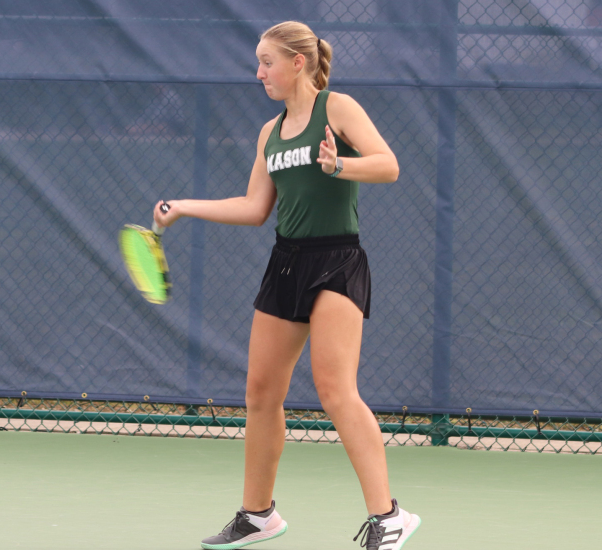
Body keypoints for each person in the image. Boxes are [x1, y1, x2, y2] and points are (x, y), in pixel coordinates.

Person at [152, 21, 421, 550]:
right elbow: (255, 208)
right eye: (258, 63)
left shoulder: (336, 108)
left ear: (298, 62)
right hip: (286, 261)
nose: (259, 73)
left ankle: (389, 516)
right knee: (260, 392)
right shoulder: (268, 133)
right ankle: (258, 516)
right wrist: (184, 207)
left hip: (337, 260)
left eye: (267, 62)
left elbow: (388, 166)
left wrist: (338, 163)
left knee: (335, 389)